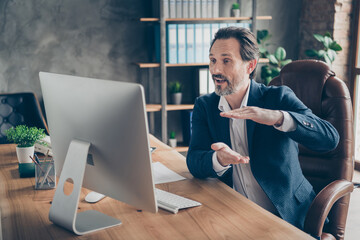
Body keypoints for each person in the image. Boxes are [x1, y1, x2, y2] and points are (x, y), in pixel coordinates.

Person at [186, 27, 339, 230]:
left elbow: (330, 138)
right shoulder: (205, 106)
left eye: (226, 60)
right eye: (212, 60)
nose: (215, 70)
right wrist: (218, 160)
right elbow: (194, 160)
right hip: (236, 216)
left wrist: (277, 117)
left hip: (287, 217)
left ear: (250, 66)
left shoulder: (278, 98)